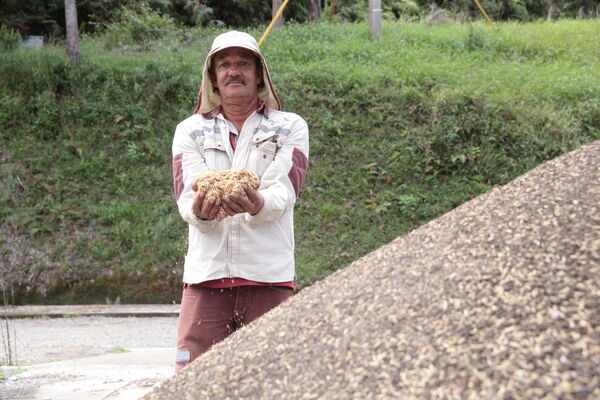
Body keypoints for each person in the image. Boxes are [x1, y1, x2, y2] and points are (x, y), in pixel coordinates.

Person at [171, 30, 309, 372]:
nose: (234, 71)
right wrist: (200, 213)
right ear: (213, 78)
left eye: (244, 63)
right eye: (225, 64)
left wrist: (258, 204)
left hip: (268, 276)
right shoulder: (190, 130)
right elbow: (188, 195)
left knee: (272, 381)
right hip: (207, 276)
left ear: (259, 74)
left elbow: (285, 191)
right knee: (194, 381)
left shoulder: (288, 127)